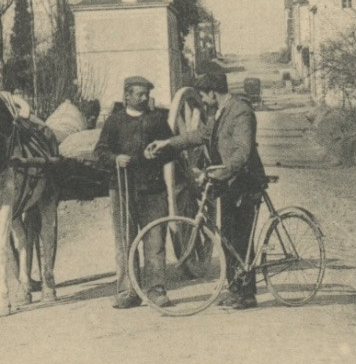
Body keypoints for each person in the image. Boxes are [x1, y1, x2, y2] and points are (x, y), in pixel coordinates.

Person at [148, 68, 267, 309]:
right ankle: (235, 289)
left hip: (245, 183)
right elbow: (199, 135)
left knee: (240, 239)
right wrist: (168, 142)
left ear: (213, 93)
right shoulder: (219, 112)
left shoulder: (242, 112)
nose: (201, 100)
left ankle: (247, 294)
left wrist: (216, 173)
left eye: (203, 95)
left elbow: (242, 153)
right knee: (228, 238)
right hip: (229, 183)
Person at [93, 75, 175, 309]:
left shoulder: (158, 120)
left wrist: (157, 153)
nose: (144, 97)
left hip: (153, 190)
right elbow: (99, 152)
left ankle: (156, 290)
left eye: (146, 93)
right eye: (139, 93)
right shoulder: (114, 122)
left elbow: (172, 150)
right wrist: (115, 159)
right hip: (122, 190)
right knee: (124, 243)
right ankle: (128, 291)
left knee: (155, 242)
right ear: (127, 95)